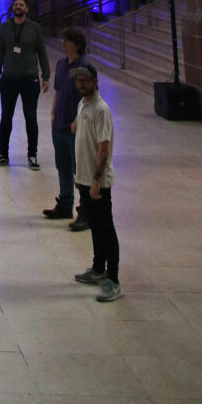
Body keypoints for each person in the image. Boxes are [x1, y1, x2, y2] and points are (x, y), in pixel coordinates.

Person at [71, 62, 122, 301]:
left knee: (106, 229)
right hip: (84, 178)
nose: (81, 84)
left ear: (95, 82)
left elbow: (103, 148)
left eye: (85, 80)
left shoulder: (101, 109)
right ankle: (98, 269)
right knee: (95, 226)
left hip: (97, 181)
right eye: (78, 80)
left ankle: (113, 279)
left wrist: (95, 180)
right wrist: (79, 176)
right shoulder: (83, 104)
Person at [0, 0, 50, 168]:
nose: (17, 6)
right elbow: (0, 51)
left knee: (31, 117)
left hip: (29, 78)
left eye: (21, 5)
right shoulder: (5, 27)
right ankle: (3, 153)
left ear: (26, 9)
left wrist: (45, 76)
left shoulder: (34, 28)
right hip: (9, 78)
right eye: (15, 4)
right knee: (5, 116)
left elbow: (42, 52)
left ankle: (32, 155)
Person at [41, 25, 90, 226]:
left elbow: (88, 98)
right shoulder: (62, 64)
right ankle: (65, 203)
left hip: (74, 125)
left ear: (76, 44)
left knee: (79, 170)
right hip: (59, 122)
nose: (62, 43)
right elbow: (58, 89)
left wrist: (77, 120)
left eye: (66, 41)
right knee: (62, 164)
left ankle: (86, 210)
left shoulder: (82, 67)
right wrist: (52, 112)